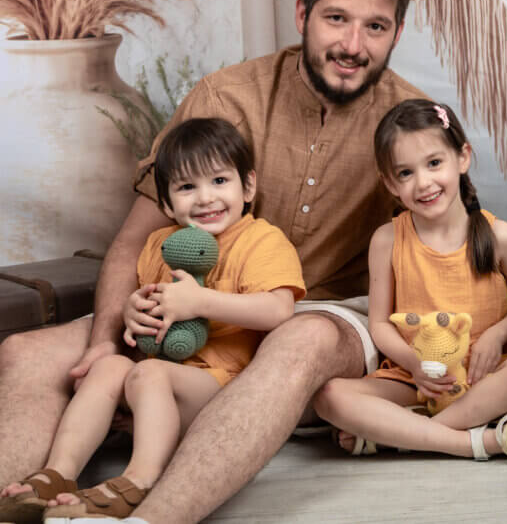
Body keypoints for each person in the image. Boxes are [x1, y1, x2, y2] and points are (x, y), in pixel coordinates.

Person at [0, 0, 424, 523]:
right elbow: (131, 242)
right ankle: (18, 499)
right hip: (195, 306)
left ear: (396, 33)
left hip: (326, 315)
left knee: (302, 338)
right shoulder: (226, 97)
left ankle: (152, 517)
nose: (353, 44)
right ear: (303, 13)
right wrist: (104, 340)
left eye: (375, 27)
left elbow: (445, 259)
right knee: (29, 353)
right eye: (336, 19)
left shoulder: (414, 125)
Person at [0, 117, 305, 521]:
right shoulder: (159, 244)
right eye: (186, 187)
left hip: (219, 386)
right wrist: (132, 312)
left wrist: (201, 302)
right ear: (164, 203)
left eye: (219, 181)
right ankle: (58, 472)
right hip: (156, 380)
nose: (204, 199)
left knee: (149, 375)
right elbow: (147, 300)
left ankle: (139, 479)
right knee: (109, 367)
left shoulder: (262, 239)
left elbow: (278, 309)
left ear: (247, 186)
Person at [313, 99, 507, 461]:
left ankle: (400, 435)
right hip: (416, 379)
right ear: (389, 182)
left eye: (434, 163)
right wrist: (413, 364)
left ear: (462, 157)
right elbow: (378, 323)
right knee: (329, 396)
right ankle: (472, 441)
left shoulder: (500, 236)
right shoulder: (387, 239)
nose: (423, 183)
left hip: (482, 378)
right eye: (405, 173)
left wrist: (497, 335)